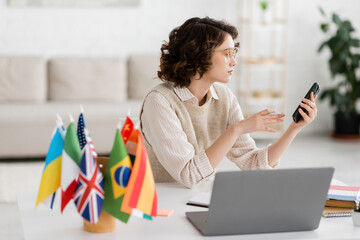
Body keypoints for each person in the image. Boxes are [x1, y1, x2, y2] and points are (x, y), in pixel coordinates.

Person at [140, 17, 317, 188]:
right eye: (227, 54)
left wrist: (295, 128)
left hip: (198, 198)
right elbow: (189, 175)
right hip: (158, 201)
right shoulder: (159, 102)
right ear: (198, 55)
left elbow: (254, 164)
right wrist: (237, 129)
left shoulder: (224, 98)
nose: (234, 61)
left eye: (233, 53)